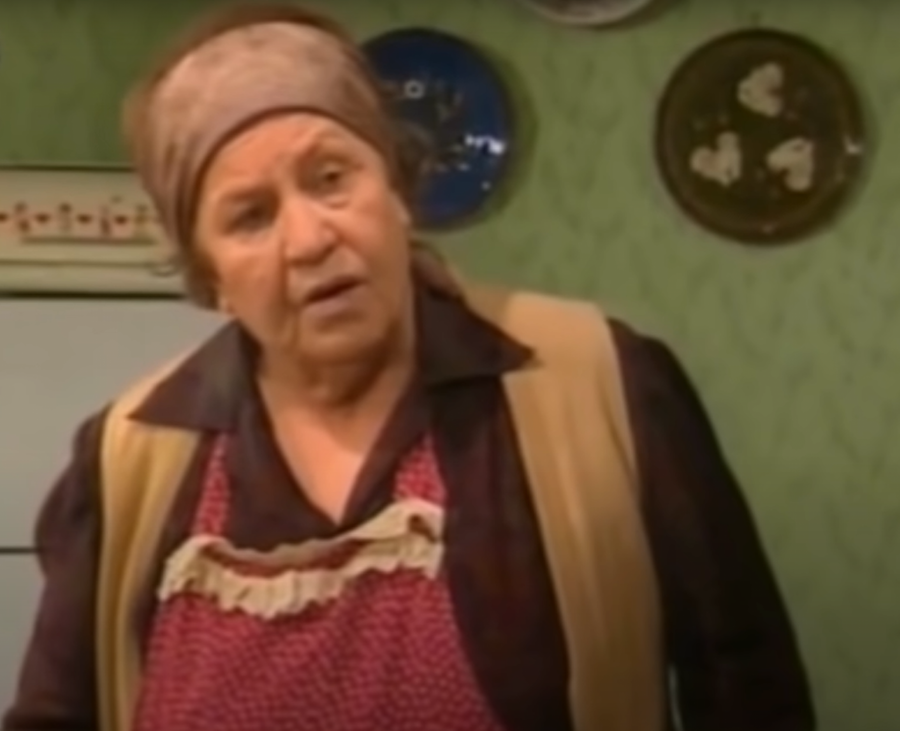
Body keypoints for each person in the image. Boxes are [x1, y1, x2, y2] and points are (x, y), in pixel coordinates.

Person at [3, 4, 815, 731]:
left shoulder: (599, 382)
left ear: (395, 189)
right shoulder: (129, 458)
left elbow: (751, 694)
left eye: (331, 178)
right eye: (250, 217)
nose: (311, 239)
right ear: (210, 277)